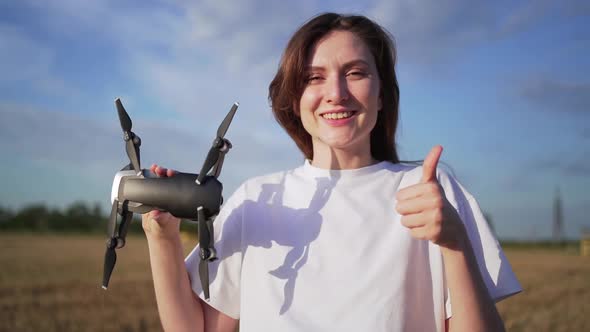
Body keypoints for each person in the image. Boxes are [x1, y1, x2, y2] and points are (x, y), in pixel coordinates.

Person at [142, 13, 521, 332]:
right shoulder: (259, 199)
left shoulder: (431, 194)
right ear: (294, 98)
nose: (336, 92)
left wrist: (454, 242)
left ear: (383, 93)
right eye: (313, 77)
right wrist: (163, 239)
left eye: (355, 73)